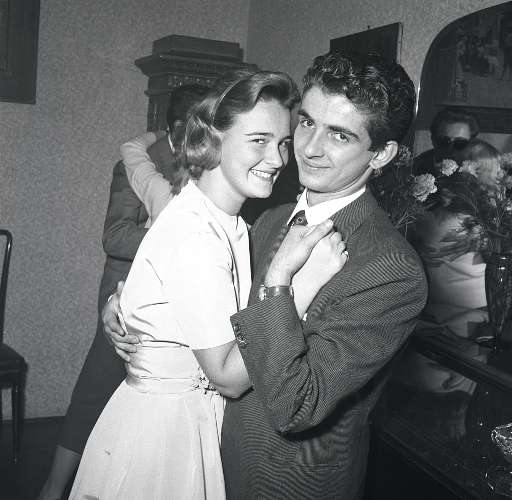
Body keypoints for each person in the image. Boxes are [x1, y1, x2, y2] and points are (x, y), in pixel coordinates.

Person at [106, 51, 428, 500]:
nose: (309, 148)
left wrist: (282, 285)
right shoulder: (268, 219)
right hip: (207, 460)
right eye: (307, 122)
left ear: (382, 153)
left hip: (289, 483)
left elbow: (297, 406)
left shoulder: (391, 270)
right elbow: (221, 319)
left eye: (339, 134)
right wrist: (141, 310)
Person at [70, 69, 348, 500]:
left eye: (282, 143)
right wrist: (298, 286)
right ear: (213, 138)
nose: (278, 159)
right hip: (165, 437)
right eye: (258, 140)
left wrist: (130, 302)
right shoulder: (198, 233)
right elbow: (228, 378)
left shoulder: (226, 221)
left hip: (183, 421)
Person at [37, 84, 207, 500]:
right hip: (127, 294)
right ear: (180, 126)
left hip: (182, 292)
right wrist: (175, 237)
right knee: (96, 388)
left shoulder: (206, 160)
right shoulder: (138, 164)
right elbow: (114, 237)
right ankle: (53, 488)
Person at [413, 107, 479, 177]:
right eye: (444, 142)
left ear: (471, 143)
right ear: (433, 140)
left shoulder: (479, 169)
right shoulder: (414, 167)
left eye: (460, 143)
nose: (451, 149)